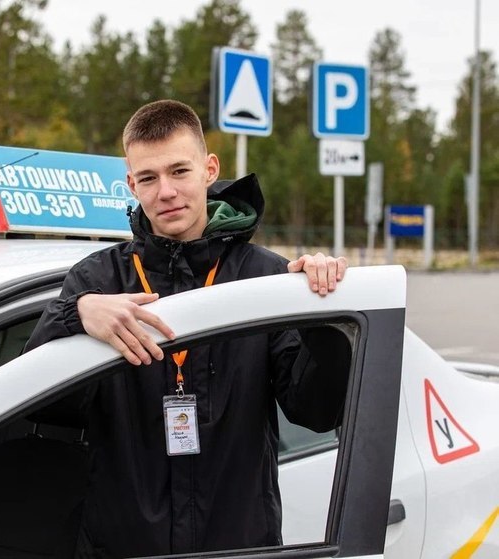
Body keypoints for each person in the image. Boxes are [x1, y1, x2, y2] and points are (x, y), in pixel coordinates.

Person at [25, 99, 349, 557]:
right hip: (122, 546)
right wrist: (74, 314)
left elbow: (315, 412)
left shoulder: (269, 279)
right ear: (131, 184)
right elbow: (46, 407)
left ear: (209, 168)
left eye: (179, 171)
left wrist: (323, 316)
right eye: (149, 178)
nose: (167, 192)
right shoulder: (97, 281)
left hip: (236, 546)